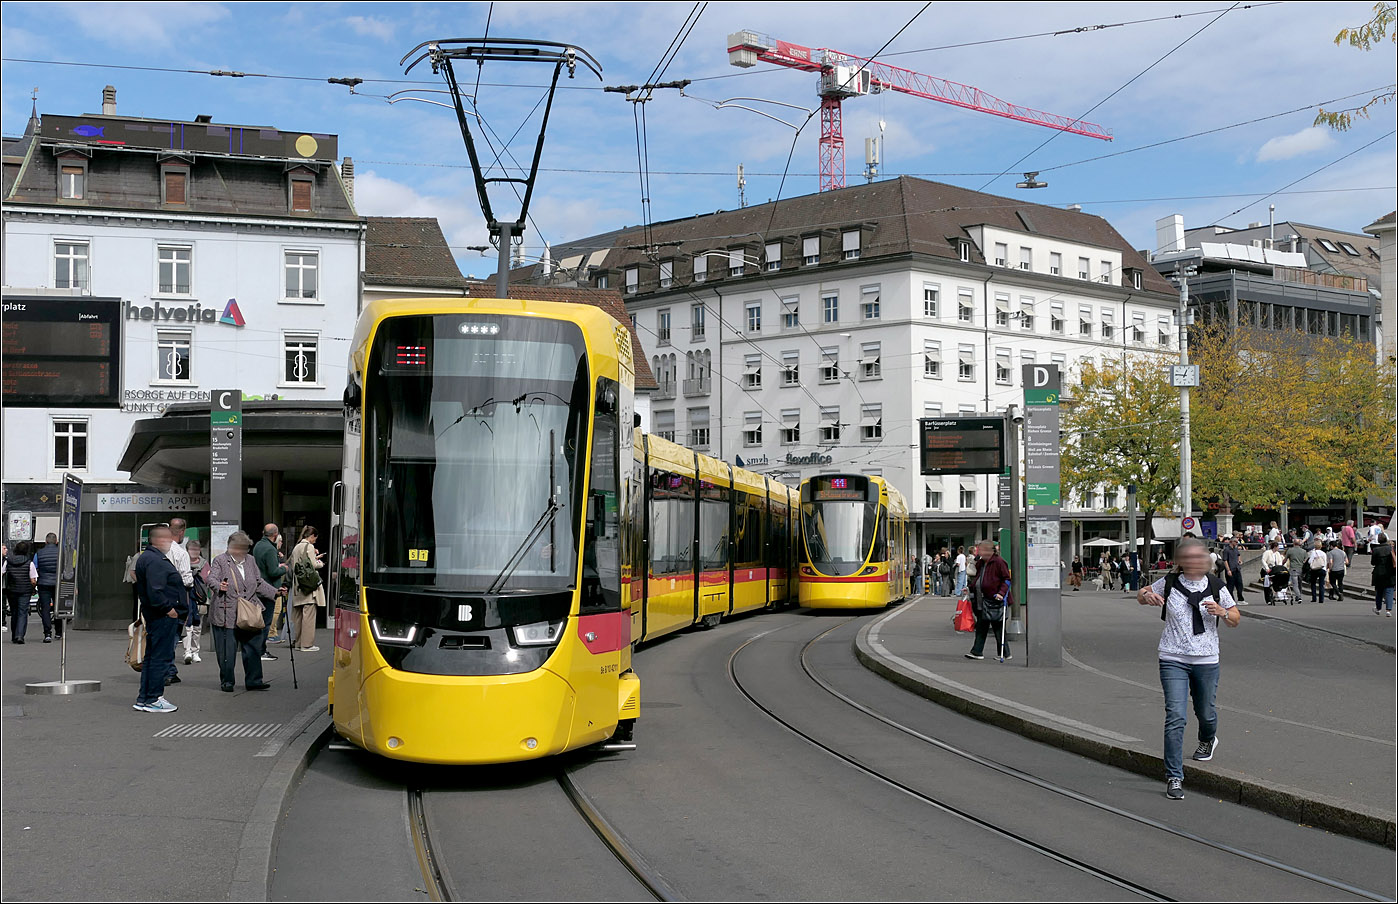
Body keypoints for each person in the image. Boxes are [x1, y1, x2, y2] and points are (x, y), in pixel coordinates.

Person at [1137, 536, 1240, 800]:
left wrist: (1222, 612)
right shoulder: (1170, 582)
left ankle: (1208, 739)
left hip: (1206, 659)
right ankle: (1174, 776)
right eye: (1189, 557)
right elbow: (1142, 594)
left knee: (1206, 713)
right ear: (1181, 561)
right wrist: (1147, 595)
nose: (1194, 561)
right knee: (1176, 716)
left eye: (1198, 557)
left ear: (1206, 560)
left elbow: (1235, 618)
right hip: (1172, 657)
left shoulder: (1216, 586)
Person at [206, 531, 278, 692]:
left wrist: (275, 592)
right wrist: (219, 586)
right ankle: (227, 681)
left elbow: (258, 582)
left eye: (245, 548)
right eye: (239, 548)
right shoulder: (220, 560)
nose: (242, 552)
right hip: (226, 612)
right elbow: (211, 579)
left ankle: (254, 681)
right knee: (227, 651)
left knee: (253, 647)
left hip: (249, 611)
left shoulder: (250, 560)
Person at [133, 526, 185, 713]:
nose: (171, 542)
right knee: (160, 657)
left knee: (152, 657)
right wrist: (169, 609)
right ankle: (154, 698)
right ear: (159, 539)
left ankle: (145, 698)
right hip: (162, 616)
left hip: (156, 615)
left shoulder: (148, 557)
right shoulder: (155, 560)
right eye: (168, 539)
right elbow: (155, 590)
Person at [964, 539, 1011, 661]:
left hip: (994, 599)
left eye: (982, 550)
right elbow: (976, 575)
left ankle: (1003, 652)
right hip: (982, 599)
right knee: (982, 626)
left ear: (990, 551)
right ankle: (977, 651)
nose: (980, 553)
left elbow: (1006, 579)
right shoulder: (981, 563)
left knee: (997, 627)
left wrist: (1001, 593)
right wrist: (971, 587)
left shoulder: (999, 562)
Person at [252, 524, 286, 661]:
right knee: (266, 622)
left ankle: (257, 649)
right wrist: (284, 568)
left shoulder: (258, 546)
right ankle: (261, 651)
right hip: (269, 589)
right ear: (275, 534)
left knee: (259, 621)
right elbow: (273, 571)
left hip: (258, 588)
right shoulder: (270, 549)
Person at [289, 526, 325, 652]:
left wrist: (314, 558)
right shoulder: (309, 546)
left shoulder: (297, 547)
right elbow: (313, 565)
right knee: (309, 616)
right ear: (312, 536)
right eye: (315, 538)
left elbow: (296, 565)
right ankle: (307, 644)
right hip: (308, 586)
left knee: (298, 617)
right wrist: (320, 563)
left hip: (298, 585)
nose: (315, 541)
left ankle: (298, 643)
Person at [4, 540, 38, 643]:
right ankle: (20, 635)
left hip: (12, 590)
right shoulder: (29, 563)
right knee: (22, 612)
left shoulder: (8, 561)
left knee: (14, 612)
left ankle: (14, 635)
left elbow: (2, 572)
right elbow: (33, 580)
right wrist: (33, 588)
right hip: (25, 591)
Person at [183, 539, 207, 664]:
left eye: (197, 549)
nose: (194, 552)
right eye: (192, 549)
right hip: (186, 597)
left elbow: (208, 579)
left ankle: (195, 651)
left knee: (197, 627)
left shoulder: (204, 563)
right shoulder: (183, 562)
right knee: (188, 626)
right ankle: (187, 651)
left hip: (200, 598)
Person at [34, 533, 61, 641]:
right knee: (58, 607)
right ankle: (58, 632)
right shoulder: (61, 552)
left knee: (45, 609)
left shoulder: (39, 553)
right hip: (58, 584)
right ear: (56, 542)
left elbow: (35, 568)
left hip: (43, 583)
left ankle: (47, 633)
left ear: (45, 542)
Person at [1372, 532, 1395, 617]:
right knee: (1389, 591)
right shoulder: (1391, 548)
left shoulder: (1376, 549)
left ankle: (1378, 608)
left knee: (1379, 591)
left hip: (1379, 572)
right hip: (1390, 572)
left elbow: (1373, 562)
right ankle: (1388, 610)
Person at [1220, 538, 1245, 605]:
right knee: (1230, 586)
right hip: (1231, 569)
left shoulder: (1235, 549)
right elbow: (1225, 560)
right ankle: (1231, 600)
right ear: (1231, 542)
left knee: (1240, 584)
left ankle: (1240, 599)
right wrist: (1228, 570)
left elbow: (1238, 555)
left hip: (1237, 569)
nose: (1237, 543)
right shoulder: (1227, 550)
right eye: (1235, 542)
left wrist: (1239, 560)